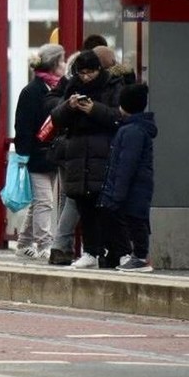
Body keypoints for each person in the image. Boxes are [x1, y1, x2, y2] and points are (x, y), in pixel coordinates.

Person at [48, 49, 126, 269]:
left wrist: (94, 109)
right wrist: (69, 106)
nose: (85, 77)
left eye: (89, 73)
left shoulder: (112, 85)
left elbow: (118, 117)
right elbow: (55, 117)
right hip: (77, 154)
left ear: (98, 70)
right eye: (81, 73)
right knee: (84, 205)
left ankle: (114, 251)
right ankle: (90, 251)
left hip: (102, 152)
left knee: (104, 206)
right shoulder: (72, 86)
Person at [13, 43, 66, 259]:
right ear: (54, 64)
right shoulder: (32, 91)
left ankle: (23, 243)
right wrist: (24, 155)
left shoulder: (61, 88)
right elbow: (23, 126)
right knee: (45, 201)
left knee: (38, 203)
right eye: (62, 61)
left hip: (54, 155)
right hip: (36, 155)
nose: (64, 65)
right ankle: (45, 244)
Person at [99, 82, 156, 271]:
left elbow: (126, 165)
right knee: (134, 220)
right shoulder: (136, 129)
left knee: (136, 221)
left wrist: (116, 194)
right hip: (137, 186)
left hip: (133, 188)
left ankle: (140, 256)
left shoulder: (131, 131)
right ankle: (138, 255)